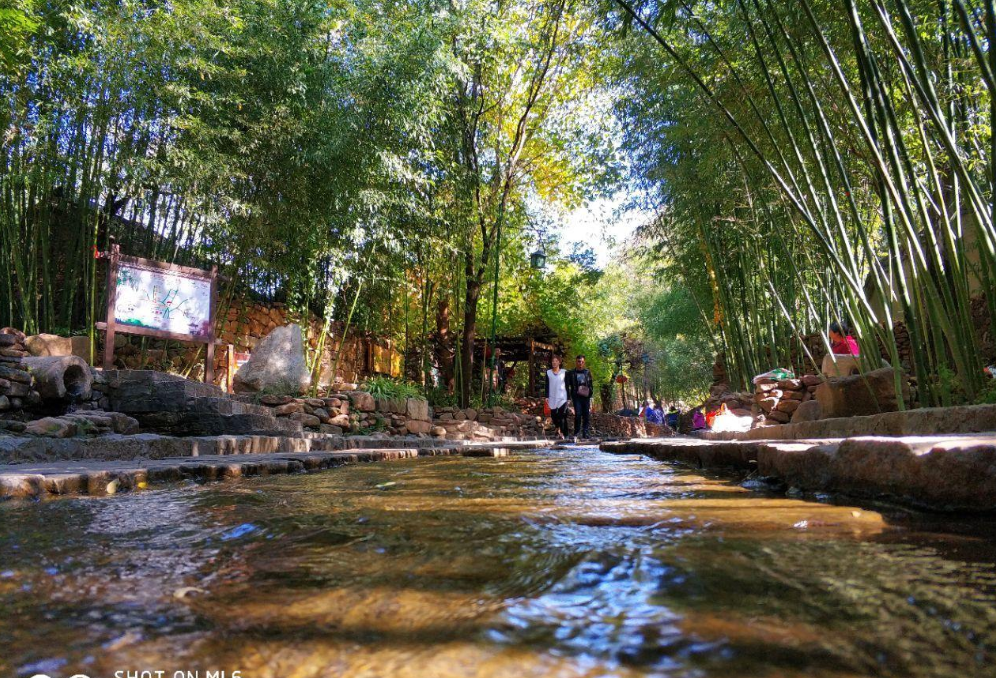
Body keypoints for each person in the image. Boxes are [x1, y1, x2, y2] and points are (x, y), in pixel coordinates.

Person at [566, 354, 594, 439]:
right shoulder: (571, 373)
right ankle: (577, 432)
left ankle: (585, 432)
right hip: (576, 396)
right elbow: (567, 385)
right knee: (578, 414)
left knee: (586, 414)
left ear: (584, 362)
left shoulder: (587, 372)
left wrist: (590, 393)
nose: (580, 363)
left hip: (586, 396)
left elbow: (591, 384)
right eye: (579, 361)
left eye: (582, 362)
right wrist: (568, 397)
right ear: (576, 362)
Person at [545, 355, 569, 438]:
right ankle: (558, 427)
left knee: (562, 416)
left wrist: (569, 398)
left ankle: (564, 434)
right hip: (552, 397)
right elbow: (547, 385)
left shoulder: (564, 372)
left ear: (559, 362)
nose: (554, 362)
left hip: (563, 397)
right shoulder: (548, 372)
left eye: (556, 361)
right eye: (553, 361)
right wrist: (546, 396)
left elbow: (567, 385)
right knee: (554, 416)